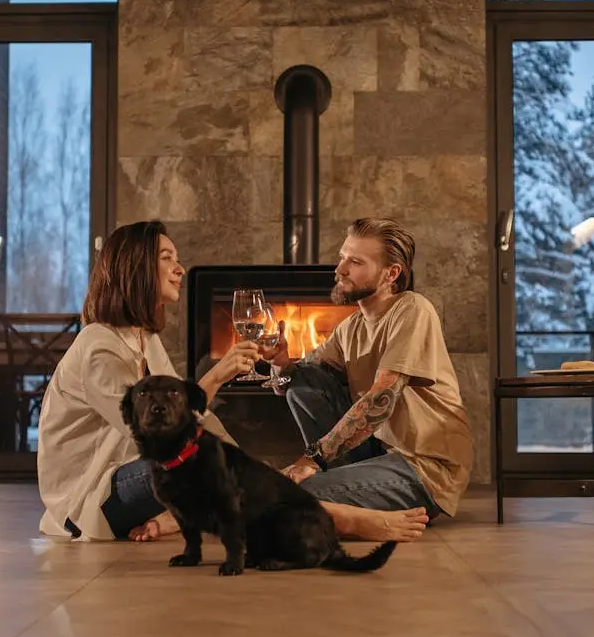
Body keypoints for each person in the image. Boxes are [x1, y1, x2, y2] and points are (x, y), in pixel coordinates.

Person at [36, 219, 431, 543]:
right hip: (93, 495)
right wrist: (220, 375)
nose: (180, 268)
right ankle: (344, 519)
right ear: (135, 267)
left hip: (141, 474)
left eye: (354, 261)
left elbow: (199, 423)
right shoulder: (99, 349)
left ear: (391, 273)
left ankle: (186, 513)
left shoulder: (144, 340)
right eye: (167, 258)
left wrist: (248, 459)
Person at [263, 217, 473, 524]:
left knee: (290, 497)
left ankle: (353, 506)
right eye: (342, 257)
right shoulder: (351, 328)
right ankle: (345, 491)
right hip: (378, 453)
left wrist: (313, 459)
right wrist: (280, 363)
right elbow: (289, 386)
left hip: (424, 468)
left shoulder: (412, 309)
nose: (340, 270)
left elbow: (380, 399)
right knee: (303, 378)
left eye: (355, 262)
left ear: (391, 274)